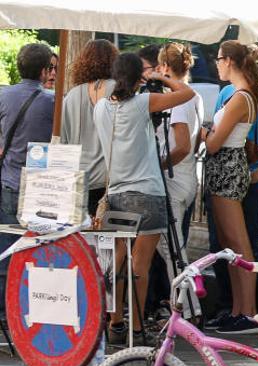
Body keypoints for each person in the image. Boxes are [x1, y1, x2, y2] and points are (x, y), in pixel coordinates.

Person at [94, 52, 195, 345]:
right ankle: (136, 329)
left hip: (116, 194)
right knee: (141, 266)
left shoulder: (100, 108)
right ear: (139, 76)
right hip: (147, 193)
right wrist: (160, 77)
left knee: (116, 263)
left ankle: (115, 324)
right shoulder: (143, 103)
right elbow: (186, 93)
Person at [206, 44, 258, 331]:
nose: (217, 64)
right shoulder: (240, 95)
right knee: (230, 245)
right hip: (225, 170)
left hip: (227, 170)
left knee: (239, 244)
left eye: (220, 59)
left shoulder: (241, 97)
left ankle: (247, 312)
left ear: (231, 62)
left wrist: (204, 133)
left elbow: (213, 144)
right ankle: (239, 309)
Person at [0, 43, 55, 309]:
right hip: (40, 188)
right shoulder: (52, 101)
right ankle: (28, 308)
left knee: (8, 250)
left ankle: (6, 309)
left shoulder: (4, 96)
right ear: (45, 70)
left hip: (9, 182)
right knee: (36, 251)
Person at [154, 42, 204, 321]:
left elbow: (183, 145)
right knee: (174, 247)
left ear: (164, 67)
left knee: (172, 248)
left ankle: (189, 308)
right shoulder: (194, 97)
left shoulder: (180, 100)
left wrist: (158, 164)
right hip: (187, 177)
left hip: (175, 178)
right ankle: (187, 306)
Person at [61, 39, 119, 217]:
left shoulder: (71, 96)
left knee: (81, 240)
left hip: (78, 179)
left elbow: (63, 142)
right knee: (110, 240)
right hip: (111, 179)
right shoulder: (119, 91)